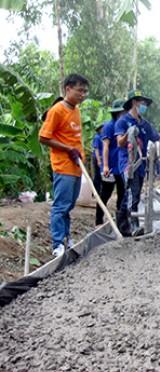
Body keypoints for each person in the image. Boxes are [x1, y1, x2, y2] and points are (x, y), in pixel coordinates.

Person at [38, 73, 89, 257]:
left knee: (68, 206)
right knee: (61, 205)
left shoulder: (76, 110)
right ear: (68, 89)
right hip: (63, 166)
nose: (83, 94)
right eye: (79, 90)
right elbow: (43, 137)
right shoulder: (57, 110)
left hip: (76, 167)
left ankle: (66, 239)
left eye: (85, 91)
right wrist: (68, 149)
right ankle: (57, 244)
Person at [114, 89, 160, 237]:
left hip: (140, 164)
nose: (143, 105)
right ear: (134, 103)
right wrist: (128, 134)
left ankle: (123, 226)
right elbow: (119, 142)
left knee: (131, 194)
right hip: (128, 163)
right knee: (132, 192)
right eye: (141, 102)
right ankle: (133, 226)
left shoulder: (144, 124)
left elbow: (158, 137)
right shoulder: (123, 122)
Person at [95, 99, 126, 227]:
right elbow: (105, 146)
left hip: (122, 166)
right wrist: (105, 165)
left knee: (122, 194)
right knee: (106, 193)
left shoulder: (125, 125)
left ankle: (120, 221)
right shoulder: (109, 126)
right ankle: (98, 220)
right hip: (111, 166)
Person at [92, 123, 103, 195]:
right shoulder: (97, 137)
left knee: (100, 176)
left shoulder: (103, 137)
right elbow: (96, 149)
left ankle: (99, 190)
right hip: (97, 158)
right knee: (97, 176)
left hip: (102, 158)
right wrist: (99, 160)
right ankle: (95, 191)